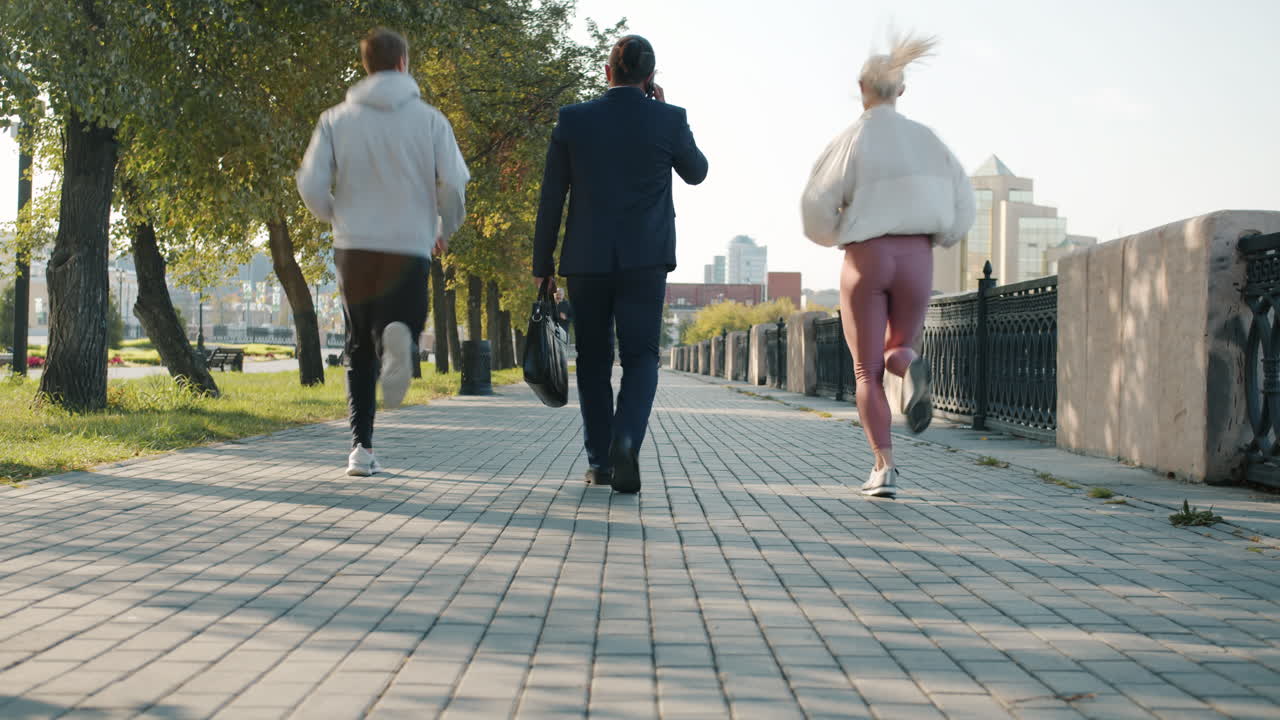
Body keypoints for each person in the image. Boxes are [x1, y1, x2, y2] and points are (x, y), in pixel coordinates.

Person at [800, 32, 974, 499]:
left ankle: (884, 469)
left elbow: (816, 205)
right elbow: (963, 202)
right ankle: (913, 365)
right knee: (899, 347)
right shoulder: (929, 140)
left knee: (866, 372)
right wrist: (941, 235)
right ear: (902, 90)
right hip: (918, 256)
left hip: (867, 255)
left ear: (862, 88)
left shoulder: (850, 139)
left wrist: (839, 233)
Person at [533, 34, 708, 494]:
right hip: (645, 261)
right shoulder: (669, 119)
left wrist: (542, 262)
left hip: (586, 261)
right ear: (650, 78)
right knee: (641, 357)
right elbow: (697, 171)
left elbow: (552, 197)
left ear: (607, 72)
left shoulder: (573, 120)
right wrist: (667, 112)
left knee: (592, 361)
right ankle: (627, 440)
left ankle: (601, 462)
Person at [297, 27, 470, 477]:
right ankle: (401, 335)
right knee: (407, 321)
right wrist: (443, 227)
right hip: (409, 243)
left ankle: (361, 449)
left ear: (366, 66)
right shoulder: (432, 121)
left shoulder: (335, 119)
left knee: (358, 348)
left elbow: (311, 183)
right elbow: (452, 184)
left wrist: (335, 214)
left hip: (354, 247)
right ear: (403, 63)